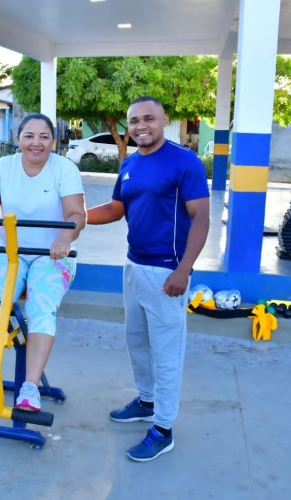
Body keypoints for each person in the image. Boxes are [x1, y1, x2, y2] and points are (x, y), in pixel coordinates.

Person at [87, 96, 210, 462]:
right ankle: (146, 400)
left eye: (149, 119)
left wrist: (184, 269)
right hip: (133, 265)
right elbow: (115, 209)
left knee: (166, 351)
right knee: (136, 340)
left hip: (167, 271)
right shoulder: (129, 164)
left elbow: (200, 217)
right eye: (134, 120)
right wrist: (77, 217)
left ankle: (163, 428)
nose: (141, 126)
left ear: (164, 121)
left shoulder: (183, 161)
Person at [0, 113, 86, 412]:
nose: (36, 143)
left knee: (41, 305)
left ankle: (30, 387)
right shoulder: (3, 167)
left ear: (54, 141)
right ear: (18, 139)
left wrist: (65, 238)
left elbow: (77, 214)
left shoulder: (63, 168)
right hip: (9, 252)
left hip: (52, 254)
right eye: (29, 136)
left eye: (44, 137)